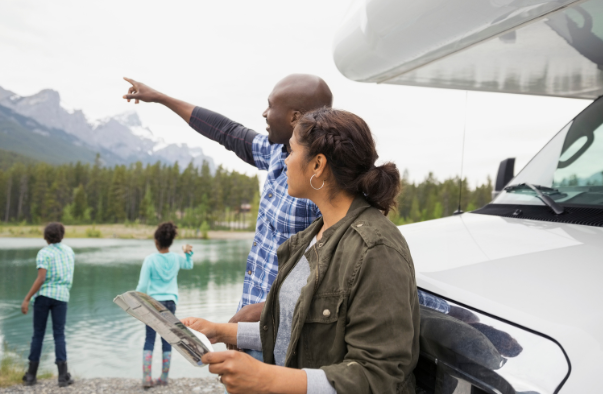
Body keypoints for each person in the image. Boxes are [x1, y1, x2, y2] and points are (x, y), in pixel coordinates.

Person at [182, 107, 421, 394]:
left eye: (291, 152)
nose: (284, 162)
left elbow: (377, 376)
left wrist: (267, 379)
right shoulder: (310, 237)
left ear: (317, 165)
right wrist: (219, 331)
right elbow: (292, 331)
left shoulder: (377, 250)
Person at [122, 75, 332, 340]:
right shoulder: (276, 153)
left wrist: (265, 309)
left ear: (295, 117)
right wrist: (161, 98)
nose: (264, 113)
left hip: (285, 332)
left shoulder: (325, 180)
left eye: (270, 106)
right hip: (249, 320)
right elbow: (226, 131)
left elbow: (331, 272)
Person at [136, 222, 194, 388]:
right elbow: (189, 265)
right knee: (167, 339)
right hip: (170, 303)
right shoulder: (176, 258)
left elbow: (141, 286)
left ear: (156, 242)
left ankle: (147, 378)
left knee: (149, 338)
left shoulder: (150, 260)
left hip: (153, 303)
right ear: (170, 242)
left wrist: (137, 301)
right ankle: (164, 378)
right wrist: (188, 253)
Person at [21, 222, 75, 387]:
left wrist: (27, 298)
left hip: (44, 297)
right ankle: (63, 376)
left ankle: (31, 376)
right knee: (59, 334)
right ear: (62, 235)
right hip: (61, 297)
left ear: (46, 237)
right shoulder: (69, 251)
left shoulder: (44, 253)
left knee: (38, 334)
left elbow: (41, 278)